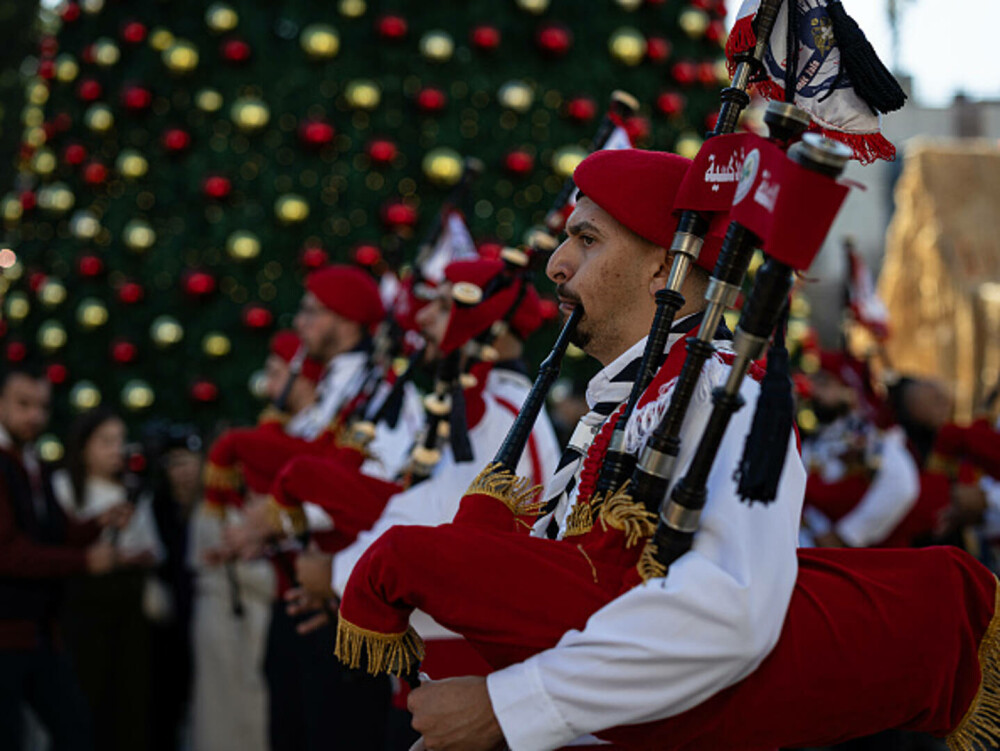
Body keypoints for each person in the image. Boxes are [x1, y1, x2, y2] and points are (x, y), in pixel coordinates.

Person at [339, 149, 806, 749]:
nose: (557, 266)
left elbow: (731, 610)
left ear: (665, 268)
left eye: (586, 239)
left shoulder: (716, 391)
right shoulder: (627, 400)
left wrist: (506, 707)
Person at [0, 365, 127, 751]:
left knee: (73, 728)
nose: (35, 415)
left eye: (42, 405)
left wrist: (96, 525)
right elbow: (9, 553)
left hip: (37, 634)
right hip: (7, 636)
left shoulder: (30, 461)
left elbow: (50, 530)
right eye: (23, 404)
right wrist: (85, 561)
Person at [54, 408, 165, 751]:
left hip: (128, 610)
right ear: (84, 446)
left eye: (120, 441)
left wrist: (134, 556)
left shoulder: (133, 490)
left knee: (129, 703)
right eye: (106, 441)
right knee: (84, 701)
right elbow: (58, 542)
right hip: (82, 610)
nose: (116, 450)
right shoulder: (64, 487)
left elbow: (156, 549)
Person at [799, 352, 920, 549]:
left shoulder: (874, 440)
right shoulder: (817, 440)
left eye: (825, 383)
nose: (815, 392)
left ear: (850, 390)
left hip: (857, 559)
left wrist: (849, 534)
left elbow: (902, 486)